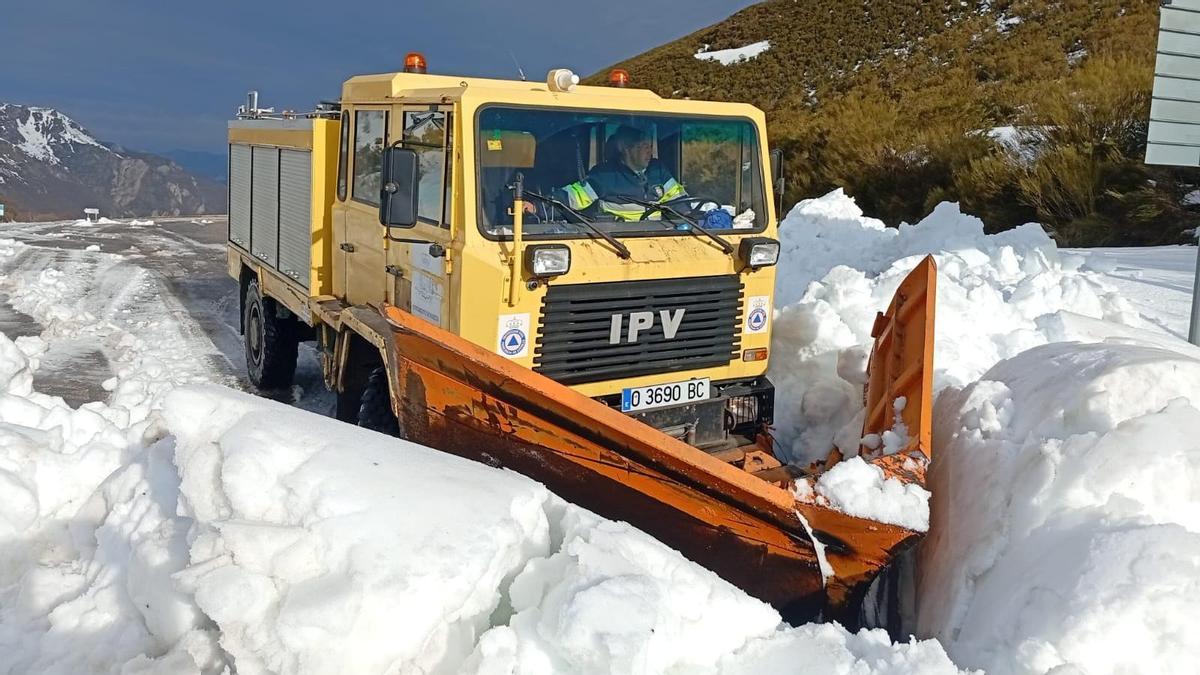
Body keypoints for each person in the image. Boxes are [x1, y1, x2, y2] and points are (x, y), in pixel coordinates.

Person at [557, 126, 686, 220]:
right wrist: (539, 206)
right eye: (643, 146)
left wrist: (698, 213)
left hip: (662, 240)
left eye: (650, 146)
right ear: (624, 147)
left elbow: (681, 203)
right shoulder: (604, 175)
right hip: (619, 242)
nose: (649, 151)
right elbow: (571, 197)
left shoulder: (658, 170)